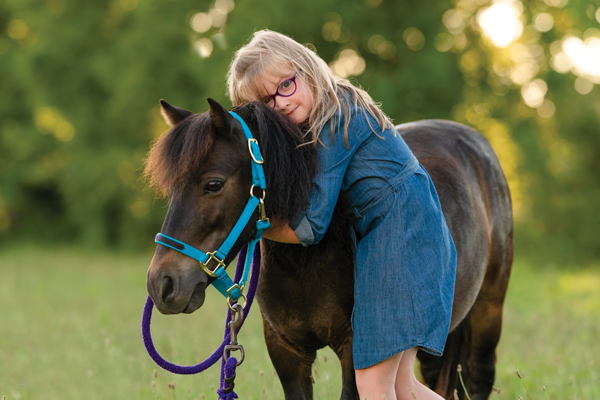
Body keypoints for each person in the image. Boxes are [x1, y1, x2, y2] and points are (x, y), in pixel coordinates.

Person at [227, 29, 456, 400]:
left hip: (401, 233)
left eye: (286, 85)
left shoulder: (336, 116)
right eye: (266, 103)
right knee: (403, 387)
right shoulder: (331, 108)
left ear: (305, 68)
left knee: (372, 386)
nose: (280, 103)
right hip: (407, 230)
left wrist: (251, 226)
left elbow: (310, 227)